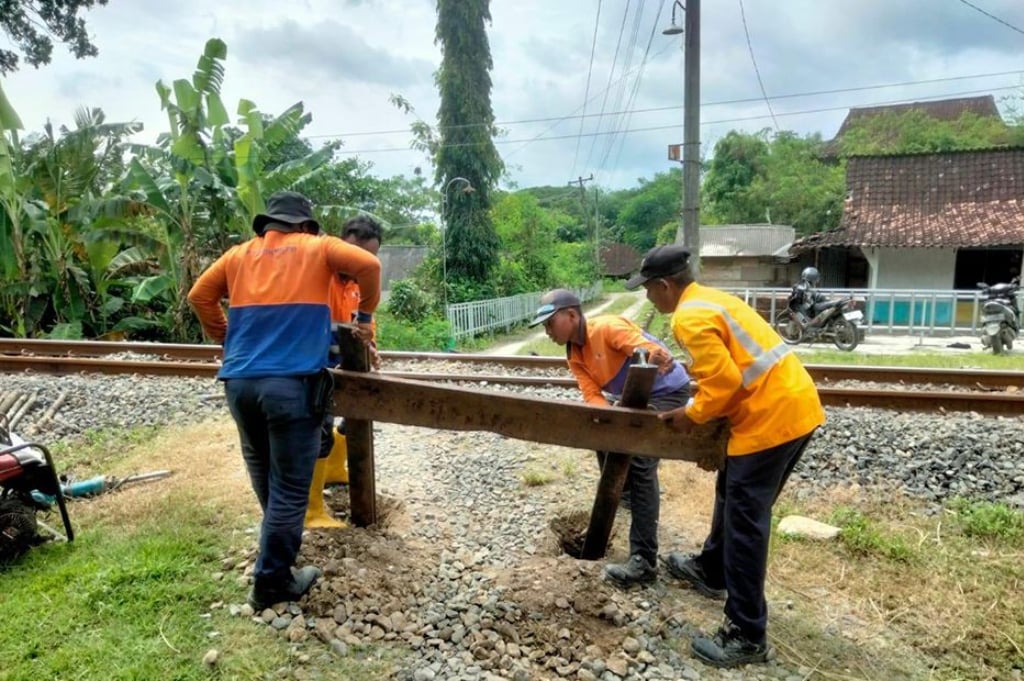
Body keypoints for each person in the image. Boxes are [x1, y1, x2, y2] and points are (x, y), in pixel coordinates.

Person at [627, 244, 825, 668]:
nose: (647, 298)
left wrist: (691, 415)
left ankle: (746, 633)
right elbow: (733, 369)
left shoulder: (689, 316)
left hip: (771, 419)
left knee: (745, 524)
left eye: (648, 289)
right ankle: (712, 570)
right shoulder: (711, 299)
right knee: (731, 494)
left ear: (665, 286)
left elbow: (726, 382)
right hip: (791, 405)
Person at [188, 191, 381, 610]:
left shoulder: (238, 255)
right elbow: (369, 265)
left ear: (268, 225)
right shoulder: (318, 247)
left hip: (239, 384)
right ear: (307, 226)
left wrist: (225, 336)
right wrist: (364, 319)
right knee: (291, 491)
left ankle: (275, 552)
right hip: (291, 386)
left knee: (267, 480)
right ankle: (272, 581)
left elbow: (199, 297)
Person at [528, 288, 692, 587]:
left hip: (667, 392)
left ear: (572, 315)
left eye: (550, 323)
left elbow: (645, 350)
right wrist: (610, 424)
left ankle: (644, 561)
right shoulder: (574, 354)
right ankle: (628, 495)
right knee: (603, 433)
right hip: (633, 397)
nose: (547, 331)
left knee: (641, 460)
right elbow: (592, 395)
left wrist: (654, 356)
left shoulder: (607, 327)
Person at [305, 215, 383, 529]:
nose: (356, 264)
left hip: (345, 366)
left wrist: (371, 346)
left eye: (367, 258)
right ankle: (312, 510)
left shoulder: (358, 286)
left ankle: (336, 470)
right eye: (354, 254)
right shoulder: (315, 273)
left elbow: (365, 325)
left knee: (360, 414)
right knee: (320, 432)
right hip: (315, 368)